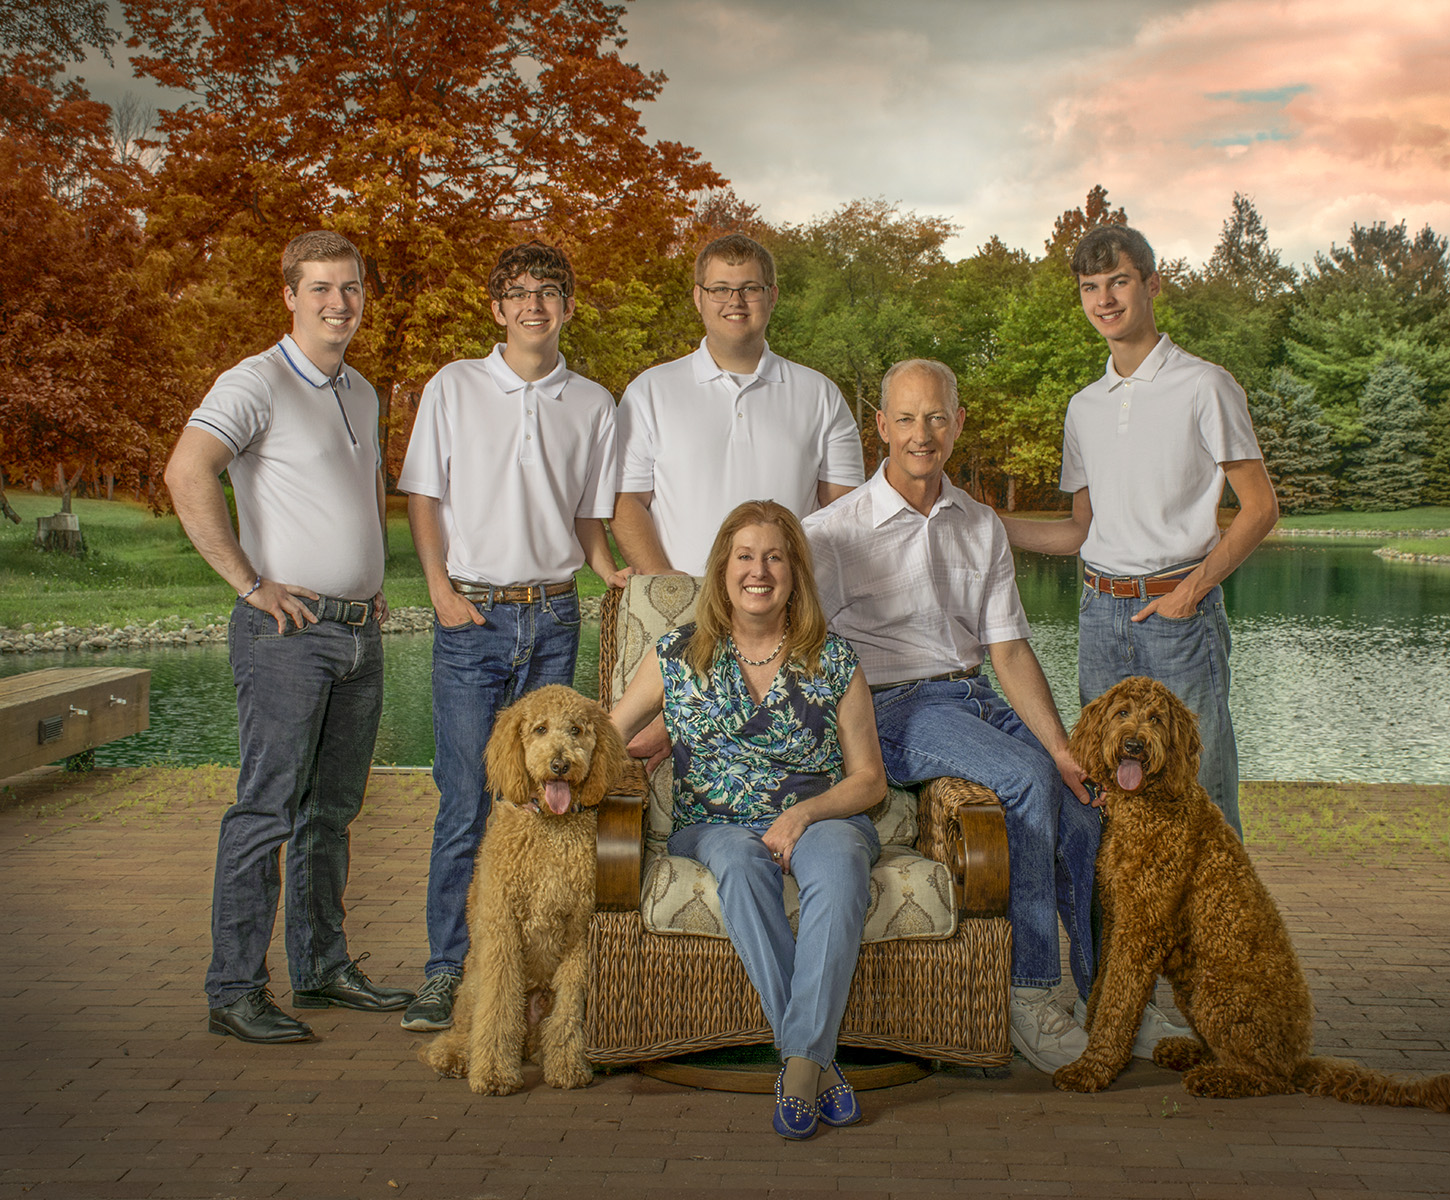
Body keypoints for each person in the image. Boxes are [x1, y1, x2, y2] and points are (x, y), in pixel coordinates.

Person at [802, 358, 1119, 1075]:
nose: (923, 433)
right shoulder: (830, 533)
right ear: (880, 427)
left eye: (937, 417)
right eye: (907, 419)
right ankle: (1030, 992)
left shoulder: (980, 525)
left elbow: (1008, 650)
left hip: (975, 695)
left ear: (958, 423)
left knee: (1082, 801)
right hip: (892, 708)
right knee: (1024, 779)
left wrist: (1067, 750)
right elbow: (796, 648)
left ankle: (1110, 995)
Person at [164, 230, 413, 1044]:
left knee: (331, 815)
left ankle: (322, 968)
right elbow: (186, 470)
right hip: (285, 633)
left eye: (351, 288)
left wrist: (368, 582)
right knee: (265, 812)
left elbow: (361, 488)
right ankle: (235, 989)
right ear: (289, 295)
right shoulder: (255, 380)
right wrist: (248, 582)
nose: (339, 303)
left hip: (354, 633)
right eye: (320, 289)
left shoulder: (362, 390)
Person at [396, 241, 629, 1033]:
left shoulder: (594, 403)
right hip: (475, 617)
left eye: (550, 293)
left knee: (551, 802)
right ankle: (445, 973)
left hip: (555, 613)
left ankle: (537, 978)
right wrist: (439, 591)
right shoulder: (455, 386)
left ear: (567, 307)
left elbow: (588, 514)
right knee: (467, 800)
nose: (535, 305)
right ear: (497, 308)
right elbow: (424, 497)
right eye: (519, 294)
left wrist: (608, 571)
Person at [610, 500, 886, 1139]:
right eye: (744, 556)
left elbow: (869, 779)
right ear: (721, 569)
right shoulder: (677, 655)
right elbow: (606, 732)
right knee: (738, 862)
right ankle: (816, 1065)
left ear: (794, 572)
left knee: (843, 863)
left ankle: (797, 1066)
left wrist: (805, 813)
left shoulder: (833, 659)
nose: (758, 570)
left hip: (823, 817)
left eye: (774, 556)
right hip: (715, 823)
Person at [1001, 225, 1279, 839]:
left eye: (1118, 281)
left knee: (1199, 792)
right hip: (1099, 615)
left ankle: (1216, 935)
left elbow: (1261, 508)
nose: (1104, 299)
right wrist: (988, 521)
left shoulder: (1205, 385)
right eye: (1090, 287)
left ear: (1151, 285)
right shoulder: (1085, 406)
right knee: (1107, 798)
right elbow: (1079, 531)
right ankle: (1116, 939)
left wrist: (1191, 592)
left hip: (1178, 615)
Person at [611, 233, 865, 577]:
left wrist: (804, 586)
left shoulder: (822, 395)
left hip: (788, 606)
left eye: (750, 288)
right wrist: (662, 580)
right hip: (684, 603)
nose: (736, 301)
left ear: (772, 296)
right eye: (720, 289)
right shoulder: (649, 392)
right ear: (698, 297)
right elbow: (626, 501)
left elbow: (844, 512)